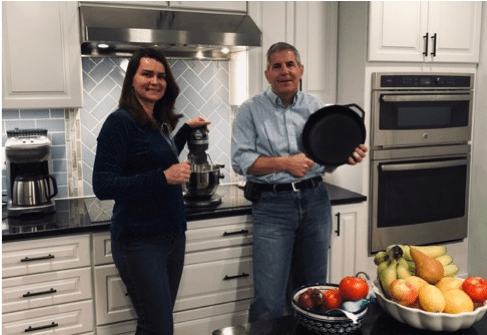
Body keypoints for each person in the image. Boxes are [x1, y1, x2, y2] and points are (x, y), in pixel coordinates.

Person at [231, 42, 367, 322]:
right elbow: (241, 161)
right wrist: (286, 162)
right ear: (267, 74)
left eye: (290, 64)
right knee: (268, 300)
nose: (284, 71)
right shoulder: (250, 110)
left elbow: (326, 159)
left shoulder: (317, 109)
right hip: (272, 206)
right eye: (277, 66)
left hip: (315, 200)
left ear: (301, 70)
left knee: (315, 293)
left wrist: (347, 155)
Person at [92, 47, 210, 335]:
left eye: (161, 76)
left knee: (155, 324)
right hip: (139, 241)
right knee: (158, 327)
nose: (155, 81)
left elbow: (159, 158)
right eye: (147, 74)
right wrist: (163, 177)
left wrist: (184, 132)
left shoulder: (157, 123)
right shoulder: (120, 122)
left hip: (172, 236)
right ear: (132, 79)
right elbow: (102, 184)